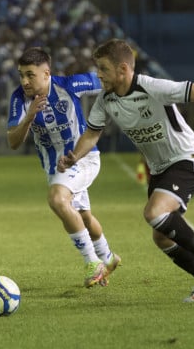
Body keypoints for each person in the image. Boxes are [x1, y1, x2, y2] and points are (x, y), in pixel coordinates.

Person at [58, 38, 194, 302]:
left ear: (123, 70)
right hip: (160, 169)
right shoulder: (105, 100)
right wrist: (73, 157)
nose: (99, 75)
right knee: (161, 238)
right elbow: (92, 134)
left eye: (103, 69)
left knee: (154, 212)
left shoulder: (151, 87)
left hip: (188, 158)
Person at [7, 47, 120, 288]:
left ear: (46, 73)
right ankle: (109, 258)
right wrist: (28, 118)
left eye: (30, 74)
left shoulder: (69, 85)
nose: (24, 81)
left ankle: (93, 264)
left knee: (58, 200)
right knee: (83, 218)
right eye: (21, 75)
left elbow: (107, 80)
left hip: (83, 158)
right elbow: (13, 142)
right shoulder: (19, 99)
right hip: (53, 167)